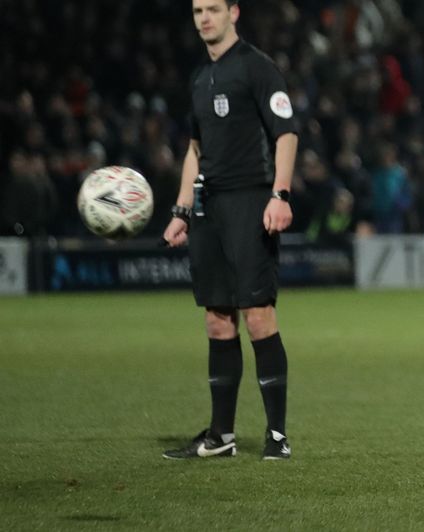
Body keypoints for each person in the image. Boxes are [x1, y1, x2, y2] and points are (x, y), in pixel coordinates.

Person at [161, 0, 299, 460]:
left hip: (250, 200)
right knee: (218, 319)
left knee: (257, 314)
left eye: (213, 9)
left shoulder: (258, 69)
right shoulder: (200, 78)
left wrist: (279, 195)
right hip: (208, 206)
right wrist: (181, 210)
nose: (204, 17)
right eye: (198, 10)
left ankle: (276, 435)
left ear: (234, 13)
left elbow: (286, 133)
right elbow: (195, 149)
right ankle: (221, 436)